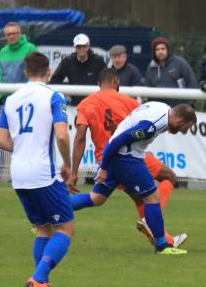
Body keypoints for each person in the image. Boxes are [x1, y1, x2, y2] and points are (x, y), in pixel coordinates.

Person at [68, 68, 187, 248]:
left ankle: (50, 210)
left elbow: (80, 138)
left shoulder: (85, 104)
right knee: (162, 184)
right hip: (126, 155)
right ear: (116, 81)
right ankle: (162, 240)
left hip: (105, 157)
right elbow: (135, 126)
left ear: (99, 84)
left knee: (98, 198)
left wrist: (74, 171)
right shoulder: (127, 100)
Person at [0, 52, 74, 287]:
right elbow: (62, 135)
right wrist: (68, 166)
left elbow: (0, 140)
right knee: (65, 228)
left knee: (43, 229)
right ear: (48, 72)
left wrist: (22, 149)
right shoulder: (53, 96)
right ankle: (39, 278)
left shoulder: (10, 100)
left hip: (18, 173)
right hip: (43, 172)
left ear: (25, 72)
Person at [50, 33, 107, 105]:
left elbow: (106, 79)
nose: (81, 49)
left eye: (84, 46)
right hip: (75, 104)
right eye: (78, 47)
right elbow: (55, 80)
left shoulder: (98, 60)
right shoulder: (68, 61)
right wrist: (69, 90)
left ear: (88, 46)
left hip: (95, 103)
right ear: (75, 47)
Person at [144, 36, 197, 107]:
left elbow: (192, 83)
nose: (160, 51)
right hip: (159, 110)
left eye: (163, 49)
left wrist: (188, 105)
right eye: (157, 49)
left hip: (179, 109)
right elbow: (147, 90)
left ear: (168, 50)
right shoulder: (150, 68)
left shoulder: (180, 62)